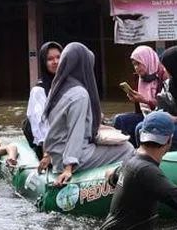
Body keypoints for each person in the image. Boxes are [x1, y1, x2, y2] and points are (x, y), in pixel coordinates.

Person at [40, 42, 134, 186]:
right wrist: (69, 167)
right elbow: (75, 131)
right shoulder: (79, 94)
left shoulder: (56, 88)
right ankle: (117, 185)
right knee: (127, 148)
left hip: (56, 155)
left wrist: (47, 154)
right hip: (74, 157)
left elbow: (54, 127)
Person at [113, 45, 168, 143]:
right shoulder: (140, 78)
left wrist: (144, 100)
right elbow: (140, 109)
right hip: (144, 114)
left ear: (147, 60)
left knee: (139, 127)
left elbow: (165, 105)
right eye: (134, 65)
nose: (136, 68)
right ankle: (127, 150)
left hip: (160, 116)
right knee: (119, 120)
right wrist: (135, 98)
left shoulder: (163, 76)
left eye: (138, 63)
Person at [23, 40, 62, 158]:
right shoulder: (39, 90)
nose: (55, 62)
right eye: (50, 59)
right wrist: (46, 154)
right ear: (44, 63)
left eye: (58, 57)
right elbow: (40, 123)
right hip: (49, 145)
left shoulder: (68, 84)